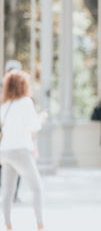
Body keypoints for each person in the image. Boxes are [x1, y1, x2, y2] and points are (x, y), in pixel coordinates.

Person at [0, 70, 46, 231]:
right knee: (37, 187)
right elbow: (33, 127)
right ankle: (40, 225)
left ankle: (8, 224)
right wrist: (41, 119)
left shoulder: (5, 105)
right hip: (21, 150)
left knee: (7, 190)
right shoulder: (26, 102)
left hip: (5, 151)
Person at [0, 60, 23, 204]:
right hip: (4, 134)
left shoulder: (23, 94)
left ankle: (13, 193)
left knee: (17, 165)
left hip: (15, 136)